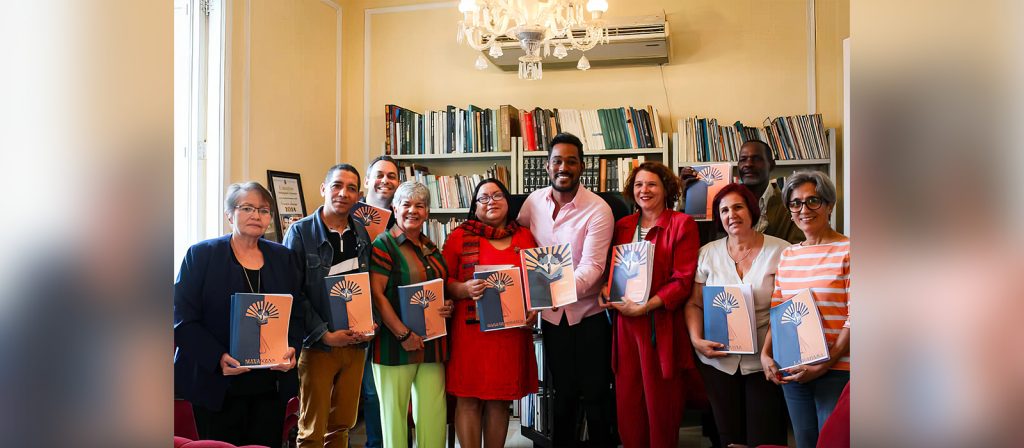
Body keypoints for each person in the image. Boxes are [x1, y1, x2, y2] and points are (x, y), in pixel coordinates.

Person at [174, 182, 302, 447]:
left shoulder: (284, 258)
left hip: (269, 383)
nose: (256, 215)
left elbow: (297, 313)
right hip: (216, 381)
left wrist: (292, 349)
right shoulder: (201, 255)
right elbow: (182, 318)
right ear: (229, 215)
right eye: (247, 208)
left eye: (264, 210)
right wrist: (217, 358)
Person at [516, 132, 616, 447]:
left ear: (581, 166)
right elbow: (517, 240)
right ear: (547, 166)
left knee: (596, 395)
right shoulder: (533, 203)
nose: (563, 167)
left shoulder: (598, 209)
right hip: (552, 319)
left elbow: (593, 267)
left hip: (589, 317)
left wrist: (551, 293)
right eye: (557, 161)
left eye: (571, 161)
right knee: (562, 395)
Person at [598, 162, 700, 448]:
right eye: (639, 184)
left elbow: (682, 280)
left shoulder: (682, 224)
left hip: (660, 324)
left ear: (666, 189)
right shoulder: (623, 226)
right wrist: (606, 291)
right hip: (625, 325)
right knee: (628, 402)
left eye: (652, 184)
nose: (644, 190)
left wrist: (647, 306)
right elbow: (613, 271)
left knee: (661, 404)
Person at [684, 183, 790, 447]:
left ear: (752, 210)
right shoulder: (707, 253)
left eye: (738, 207)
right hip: (718, 361)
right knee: (729, 438)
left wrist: (768, 352)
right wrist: (696, 340)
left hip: (765, 361)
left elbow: (786, 308)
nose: (731, 215)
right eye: (724, 210)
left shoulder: (782, 251)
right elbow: (694, 304)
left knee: (764, 437)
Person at [284, 164, 376, 448]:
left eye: (351, 188)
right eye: (337, 185)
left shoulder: (361, 233)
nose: (343, 193)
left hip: (355, 345)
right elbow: (293, 293)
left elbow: (367, 284)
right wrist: (324, 334)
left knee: (343, 425)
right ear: (324, 188)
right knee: (312, 430)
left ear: (358, 196)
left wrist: (370, 322)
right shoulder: (300, 233)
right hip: (318, 346)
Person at [442, 179, 539, 448]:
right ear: (475, 207)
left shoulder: (525, 236)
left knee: (499, 401)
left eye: (497, 196)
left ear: (508, 202)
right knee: (468, 399)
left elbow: (537, 282)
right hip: (470, 333)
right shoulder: (459, 236)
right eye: (483, 198)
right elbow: (443, 281)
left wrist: (534, 307)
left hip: (510, 334)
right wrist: (463, 288)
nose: (490, 202)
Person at [761, 170, 850, 448]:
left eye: (813, 201)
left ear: (829, 205)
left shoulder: (850, 250)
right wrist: (766, 353)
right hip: (793, 367)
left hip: (837, 370)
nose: (804, 210)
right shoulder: (788, 255)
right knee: (805, 442)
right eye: (796, 203)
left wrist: (825, 364)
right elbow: (779, 308)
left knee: (831, 443)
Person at [369, 181, 454, 448]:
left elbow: (440, 288)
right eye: (406, 204)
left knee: (434, 417)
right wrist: (403, 334)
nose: (413, 211)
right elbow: (376, 295)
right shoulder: (384, 244)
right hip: (394, 347)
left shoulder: (431, 246)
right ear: (395, 209)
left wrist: (447, 304)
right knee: (394, 421)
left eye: (420, 205)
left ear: (427, 212)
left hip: (432, 346)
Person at [680, 140, 805, 244]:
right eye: (743, 159)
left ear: (771, 165)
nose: (748, 164)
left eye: (756, 159)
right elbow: (699, 239)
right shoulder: (721, 203)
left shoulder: (790, 207)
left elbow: (798, 249)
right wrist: (690, 197)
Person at [359, 154, 400, 447]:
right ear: (367, 181)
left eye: (392, 176)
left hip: (391, 316)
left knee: (385, 392)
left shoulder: (403, 218)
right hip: (354, 317)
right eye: (380, 175)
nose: (385, 181)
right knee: (367, 393)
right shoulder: (348, 216)